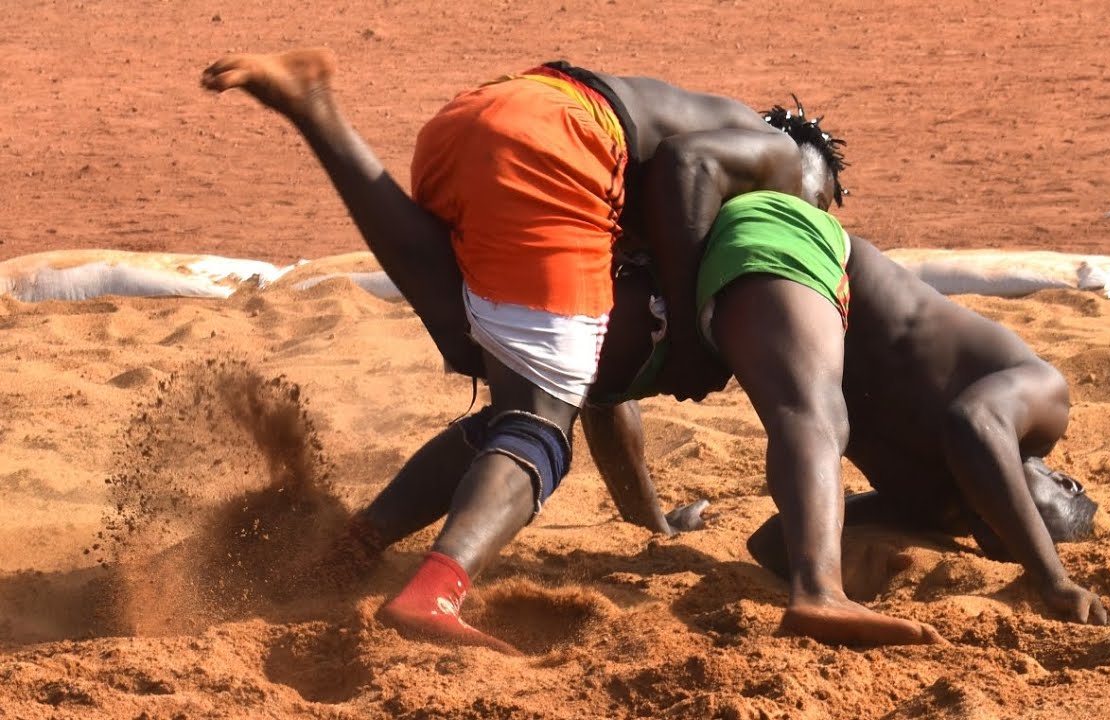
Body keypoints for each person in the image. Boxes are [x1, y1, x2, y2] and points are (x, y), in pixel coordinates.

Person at [201, 50, 939, 651]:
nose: (806, 217)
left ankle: (320, 113)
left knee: (484, 348)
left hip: (472, 125)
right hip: (565, 142)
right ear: (814, 175)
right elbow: (687, 165)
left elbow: (602, 394)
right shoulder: (776, 156)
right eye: (820, 202)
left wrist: (649, 524)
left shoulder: (676, 188)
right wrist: (685, 333)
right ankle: (435, 594)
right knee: (536, 420)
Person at [583, 232, 1110, 626]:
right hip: (802, 257)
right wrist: (1052, 579)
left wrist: (912, 528)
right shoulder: (1045, 397)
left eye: (986, 531)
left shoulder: (939, 501)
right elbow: (972, 425)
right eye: (1016, 512)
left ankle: (650, 522)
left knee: (592, 371)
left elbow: (771, 543)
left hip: (757, 314)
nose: (989, 516)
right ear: (1065, 480)